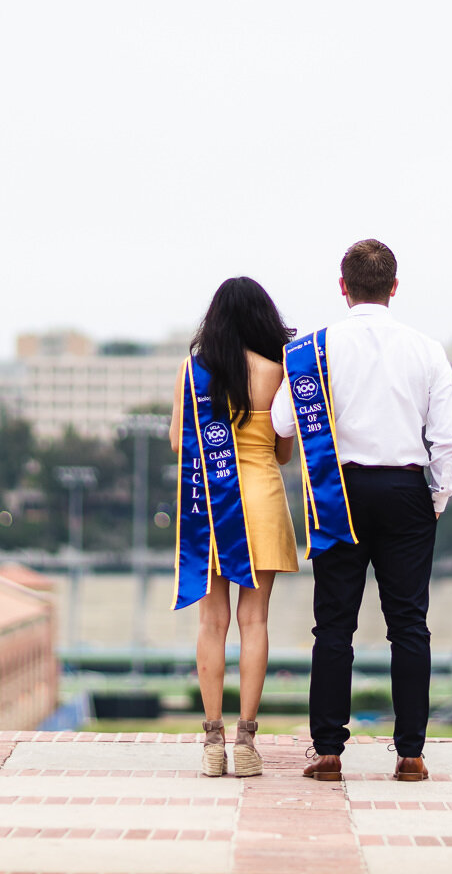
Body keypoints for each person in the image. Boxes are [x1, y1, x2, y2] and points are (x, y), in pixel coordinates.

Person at [272, 238, 452, 782]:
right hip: (406, 492)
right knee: (410, 626)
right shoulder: (427, 350)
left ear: (343, 287)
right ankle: (411, 754)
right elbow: (449, 438)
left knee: (333, 625)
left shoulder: (313, 350)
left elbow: (284, 424)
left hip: (340, 490)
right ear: (394, 288)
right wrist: (438, 495)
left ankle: (329, 751)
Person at [169, 276, 298, 777]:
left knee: (211, 624)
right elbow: (283, 450)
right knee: (255, 623)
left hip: (213, 508)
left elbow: (182, 446)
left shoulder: (191, 372)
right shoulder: (278, 372)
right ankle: (246, 742)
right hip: (263, 503)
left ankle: (212, 742)